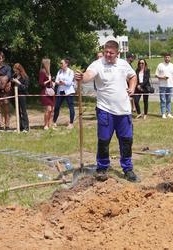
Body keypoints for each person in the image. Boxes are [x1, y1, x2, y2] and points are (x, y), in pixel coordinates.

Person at [75, 40, 138, 182]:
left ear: (118, 53)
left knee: (126, 141)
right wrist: (82, 77)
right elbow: (88, 76)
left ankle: (128, 169)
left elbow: (133, 76)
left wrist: (132, 87)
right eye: (106, 52)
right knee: (103, 140)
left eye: (111, 53)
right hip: (105, 110)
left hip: (124, 111)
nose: (108, 55)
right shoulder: (98, 64)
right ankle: (102, 168)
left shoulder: (123, 64)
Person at [52, 58, 75, 129]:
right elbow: (56, 81)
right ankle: (54, 122)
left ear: (66, 64)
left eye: (62, 63)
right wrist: (60, 82)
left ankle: (71, 123)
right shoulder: (59, 71)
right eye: (60, 63)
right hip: (60, 91)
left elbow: (69, 82)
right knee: (57, 107)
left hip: (69, 91)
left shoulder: (71, 72)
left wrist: (63, 82)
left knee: (71, 107)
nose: (60, 65)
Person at [155, 52, 173, 119]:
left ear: (170, 58)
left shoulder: (172, 65)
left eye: (168, 57)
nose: (167, 58)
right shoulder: (160, 65)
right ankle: (163, 113)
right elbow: (156, 75)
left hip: (170, 85)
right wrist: (162, 77)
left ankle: (169, 113)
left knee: (169, 100)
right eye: (166, 57)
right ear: (164, 58)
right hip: (162, 85)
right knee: (163, 100)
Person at [0, 51, 12, 130]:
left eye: (0, 59)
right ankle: (0, 125)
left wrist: (0, 80)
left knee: (6, 109)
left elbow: (8, 77)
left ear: (3, 58)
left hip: (5, 91)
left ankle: (7, 125)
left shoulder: (8, 67)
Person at [11, 63, 29, 132]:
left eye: (16, 71)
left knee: (23, 111)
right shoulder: (14, 76)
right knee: (17, 111)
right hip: (15, 95)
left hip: (22, 95)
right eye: (14, 71)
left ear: (20, 70)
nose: (15, 72)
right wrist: (12, 81)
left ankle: (26, 128)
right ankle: (20, 127)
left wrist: (18, 83)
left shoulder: (25, 77)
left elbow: (25, 88)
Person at [39, 58, 55, 130]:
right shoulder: (42, 72)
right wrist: (48, 80)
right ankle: (45, 125)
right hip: (45, 93)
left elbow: (50, 83)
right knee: (48, 109)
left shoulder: (49, 73)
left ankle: (50, 124)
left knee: (52, 109)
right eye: (49, 63)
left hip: (51, 93)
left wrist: (52, 82)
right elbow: (41, 83)